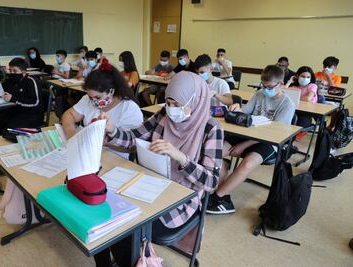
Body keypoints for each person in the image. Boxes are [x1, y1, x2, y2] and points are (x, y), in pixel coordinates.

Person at [94, 71, 223, 266]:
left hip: (181, 198)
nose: (171, 109)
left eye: (177, 105)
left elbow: (211, 182)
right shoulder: (164, 115)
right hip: (150, 182)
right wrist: (112, 129)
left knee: (125, 225)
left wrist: (180, 157)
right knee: (103, 208)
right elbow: (133, 138)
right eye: (168, 103)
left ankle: (127, 261)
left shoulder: (211, 128)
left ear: (196, 101)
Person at [206, 65, 295, 215]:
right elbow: (246, 113)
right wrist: (237, 108)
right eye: (263, 85)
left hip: (268, 141)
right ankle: (224, 196)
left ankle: (218, 197)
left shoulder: (287, 104)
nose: (265, 89)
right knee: (215, 152)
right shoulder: (260, 94)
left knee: (247, 163)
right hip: (248, 134)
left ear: (280, 84)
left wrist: (244, 144)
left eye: (269, 86)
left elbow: (274, 134)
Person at [62, 58, 143, 159]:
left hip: (115, 158)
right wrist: (71, 134)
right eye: (90, 97)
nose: (93, 101)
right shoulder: (88, 99)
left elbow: (132, 147)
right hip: (89, 153)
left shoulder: (129, 109)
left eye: (97, 97)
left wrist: (105, 142)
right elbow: (69, 115)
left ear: (111, 91)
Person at [285, 66, 317, 140]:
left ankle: (289, 143)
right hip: (293, 110)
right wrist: (289, 81)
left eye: (308, 77)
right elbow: (283, 93)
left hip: (306, 113)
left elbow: (308, 98)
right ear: (297, 76)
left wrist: (293, 97)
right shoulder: (294, 86)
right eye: (303, 76)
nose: (305, 79)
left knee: (297, 128)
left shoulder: (312, 86)